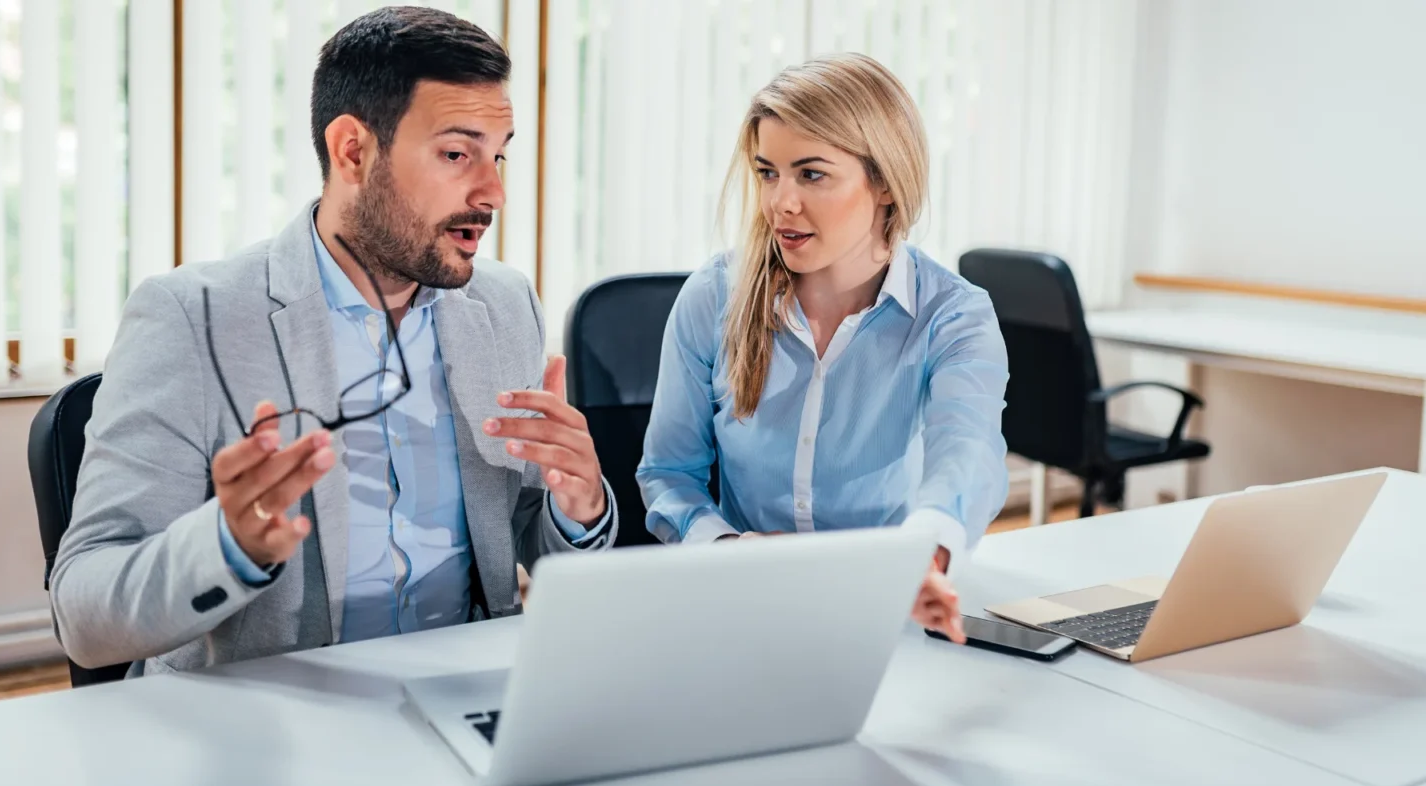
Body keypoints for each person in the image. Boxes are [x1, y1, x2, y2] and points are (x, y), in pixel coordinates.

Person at [51, 7, 616, 674]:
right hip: (271, 712)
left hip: (467, 690)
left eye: (499, 155)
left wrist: (579, 508)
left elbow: (524, 534)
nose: (493, 192)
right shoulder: (192, 317)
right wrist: (227, 546)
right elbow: (84, 616)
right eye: (457, 154)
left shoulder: (504, 304)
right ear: (353, 150)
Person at [637, 54, 1009, 644]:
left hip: (886, 611)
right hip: (743, 611)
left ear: (884, 181)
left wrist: (925, 556)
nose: (780, 202)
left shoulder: (953, 316)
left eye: (811, 174)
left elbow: (968, 453)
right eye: (768, 173)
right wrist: (728, 547)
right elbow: (667, 472)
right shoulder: (714, 297)